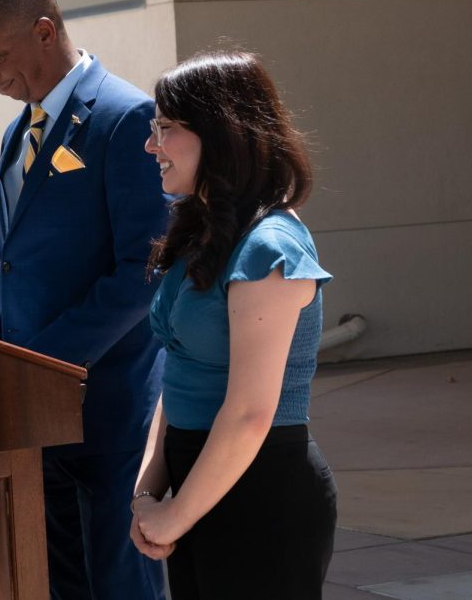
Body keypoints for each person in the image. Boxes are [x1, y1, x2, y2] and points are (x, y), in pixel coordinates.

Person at [0, 0, 168, 600]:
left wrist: (42, 363)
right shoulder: (17, 129)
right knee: (58, 581)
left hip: (105, 412)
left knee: (119, 583)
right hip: (34, 412)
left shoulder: (127, 116)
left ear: (44, 32)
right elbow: (13, 266)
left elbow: (145, 271)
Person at [130, 51, 337, 598]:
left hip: (261, 496)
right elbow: (179, 371)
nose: (152, 145)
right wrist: (149, 491)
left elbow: (250, 414)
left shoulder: (271, 245)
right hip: (199, 486)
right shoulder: (204, 229)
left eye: (166, 128)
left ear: (221, 134)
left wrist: (175, 514)